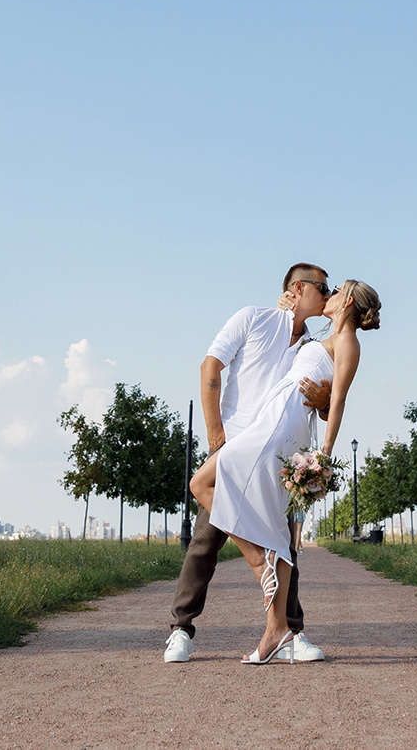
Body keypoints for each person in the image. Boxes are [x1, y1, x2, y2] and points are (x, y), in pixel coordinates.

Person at [194, 276, 380, 665]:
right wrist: (285, 304)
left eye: (335, 291)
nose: (329, 295)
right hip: (276, 416)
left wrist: (323, 456)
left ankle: (259, 563)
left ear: (346, 302)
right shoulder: (322, 337)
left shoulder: (348, 342)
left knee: (202, 482)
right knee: (275, 529)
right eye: (324, 289)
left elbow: (338, 401)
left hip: (282, 423)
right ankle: (275, 632)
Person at [164, 264, 333, 664]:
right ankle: (181, 630)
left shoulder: (314, 347)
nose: (328, 295)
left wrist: (324, 401)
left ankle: (291, 633)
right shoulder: (253, 318)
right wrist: (216, 436)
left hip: (280, 459)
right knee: (205, 542)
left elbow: (325, 408)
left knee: (285, 545)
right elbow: (211, 366)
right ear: (298, 288)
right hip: (235, 447)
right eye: (323, 287)